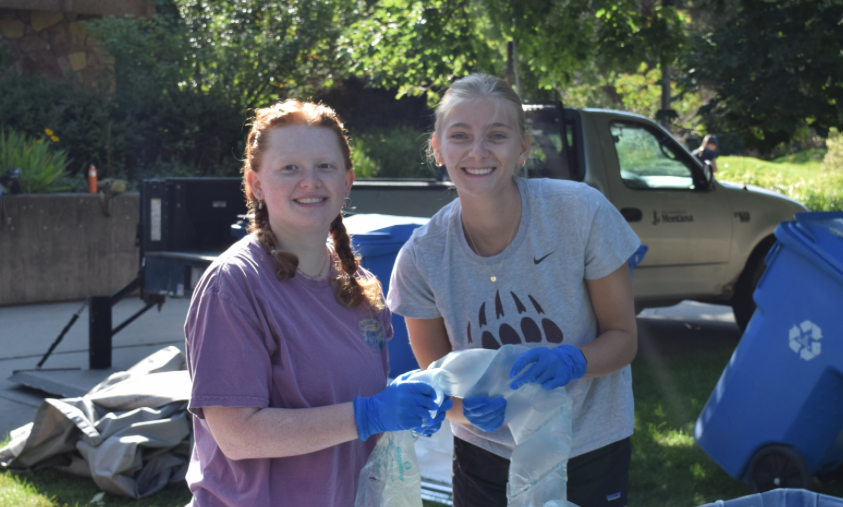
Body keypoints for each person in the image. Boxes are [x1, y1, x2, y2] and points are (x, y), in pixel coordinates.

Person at [388, 74, 641, 507]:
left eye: (497, 135)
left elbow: (623, 339)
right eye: (460, 136)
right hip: (486, 453)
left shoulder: (581, 212)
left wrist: (574, 360)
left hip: (589, 446)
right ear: (437, 148)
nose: (478, 151)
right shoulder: (422, 256)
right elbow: (437, 377)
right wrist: (465, 410)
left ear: (523, 147)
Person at [183, 100, 451, 507]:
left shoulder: (361, 286)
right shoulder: (234, 284)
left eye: (325, 166)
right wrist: (368, 414)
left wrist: (405, 399)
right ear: (256, 184)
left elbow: (353, 406)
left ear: (347, 182)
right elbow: (237, 436)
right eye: (289, 168)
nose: (310, 181)